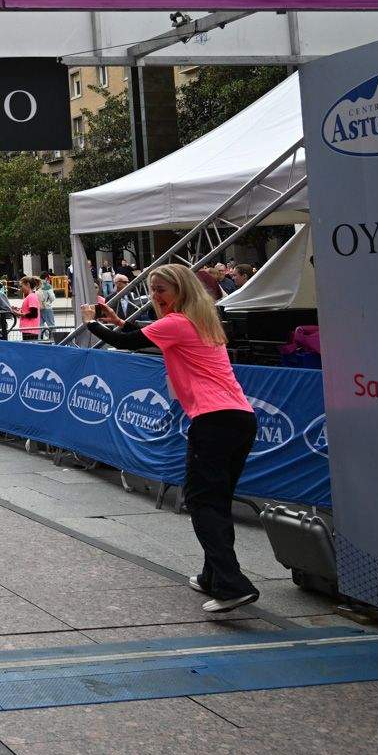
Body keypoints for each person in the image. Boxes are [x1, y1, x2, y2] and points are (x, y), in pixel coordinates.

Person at [83, 263, 261, 613]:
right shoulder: (201, 320)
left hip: (213, 421)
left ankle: (231, 583)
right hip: (239, 419)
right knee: (216, 500)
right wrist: (120, 321)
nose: (156, 298)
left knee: (200, 501)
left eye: (162, 290)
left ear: (180, 291)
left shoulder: (177, 323)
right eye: (152, 291)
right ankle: (213, 575)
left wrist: (91, 321)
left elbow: (127, 343)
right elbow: (146, 335)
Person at [15, 277, 42, 341]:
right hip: (29, 329)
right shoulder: (30, 296)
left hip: (30, 329)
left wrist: (20, 314)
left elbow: (34, 314)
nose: (20, 289)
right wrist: (19, 310)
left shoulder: (31, 296)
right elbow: (30, 311)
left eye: (21, 286)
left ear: (28, 285)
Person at [39, 272, 58, 341]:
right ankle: (53, 339)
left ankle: (41, 338)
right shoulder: (47, 286)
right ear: (46, 278)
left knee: (40, 325)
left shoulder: (37, 285)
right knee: (51, 325)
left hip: (38, 308)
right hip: (47, 307)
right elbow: (52, 298)